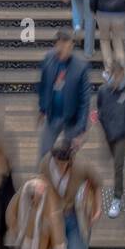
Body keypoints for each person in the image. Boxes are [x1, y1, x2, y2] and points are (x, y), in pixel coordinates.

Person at [37, 26, 91, 157]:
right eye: (60, 45)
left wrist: (81, 128)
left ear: (71, 46)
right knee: (44, 154)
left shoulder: (80, 67)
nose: (63, 49)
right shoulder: (48, 60)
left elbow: (85, 100)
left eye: (67, 45)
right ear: (56, 44)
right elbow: (43, 85)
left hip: (71, 118)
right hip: (53, 115)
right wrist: (42, 108)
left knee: (68, 156)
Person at [97, 62, 125, 217]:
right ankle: (121, 159)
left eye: (120, 76)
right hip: (108, 133)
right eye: (115, 76)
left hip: (122, 135)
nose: (117, 80)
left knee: (117, 167)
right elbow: (100, 109)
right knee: (116, 158)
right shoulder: (103, 91)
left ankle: (117, 198)